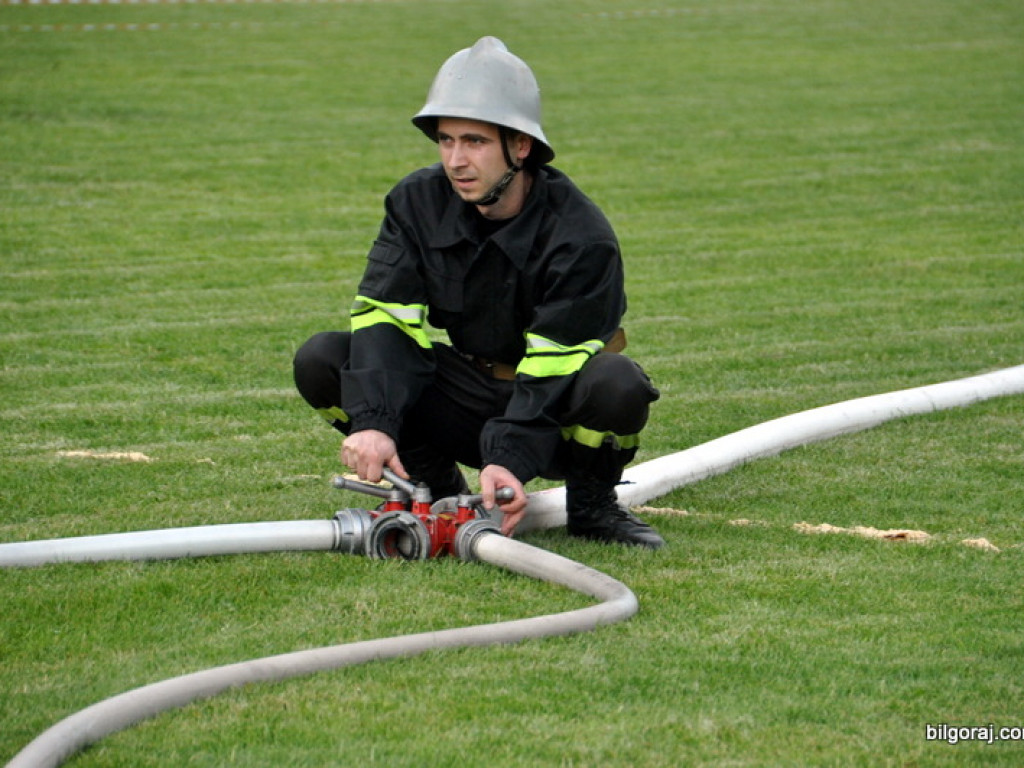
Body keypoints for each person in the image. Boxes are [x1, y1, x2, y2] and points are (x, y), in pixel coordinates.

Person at [293, 37, 664, 549]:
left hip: (550, 409)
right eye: (445, 140)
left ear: (521, 146)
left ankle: (592, 506)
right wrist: (375, 423)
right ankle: (431, 487)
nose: (456, 160)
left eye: (475, 142)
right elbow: (386, 317)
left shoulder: (581, 236)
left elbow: (553, 365)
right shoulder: (415, 203)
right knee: (323, 357)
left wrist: (508, 457)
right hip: (463, 392)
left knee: (617, 383)